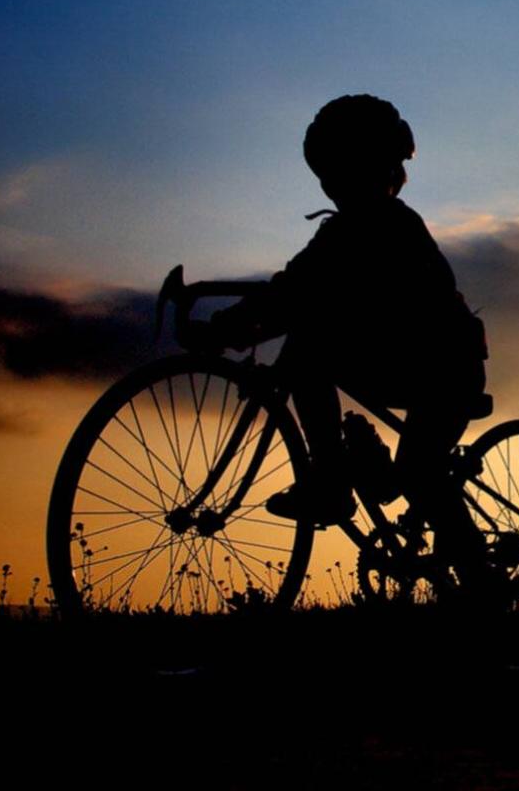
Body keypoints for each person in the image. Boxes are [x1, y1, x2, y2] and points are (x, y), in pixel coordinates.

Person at [203, 94, 489, 576]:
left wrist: (231, 325)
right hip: (405, 363)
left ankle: (484, 585)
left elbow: (298, 293)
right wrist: (234, 323)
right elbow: (295, 289)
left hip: (447, 370)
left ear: (369, 167)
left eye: (337, 168)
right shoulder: (344, 230)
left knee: (419, 475)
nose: (331, 183)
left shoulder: (388, 226)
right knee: (308, 347)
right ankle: (342, 474)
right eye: (326, 171)